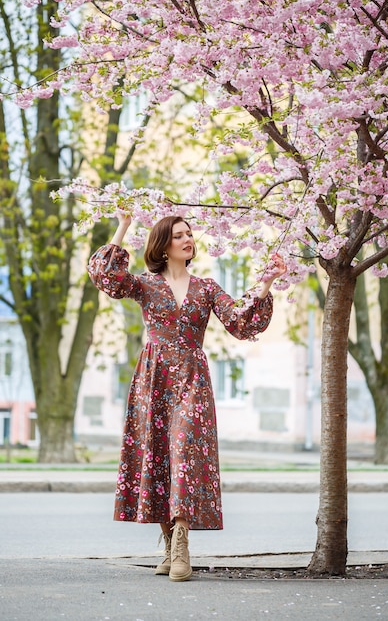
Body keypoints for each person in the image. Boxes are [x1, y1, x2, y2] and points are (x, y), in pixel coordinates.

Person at [87, 213, 287, 582]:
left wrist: (266, 283)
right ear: (163, 246)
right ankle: (168, 544)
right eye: (179, 235)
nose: (188, 239)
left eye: (189, 234)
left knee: (184, 451)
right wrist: (123, 225)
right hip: (154, 377)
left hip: (193, 376)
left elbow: (241, 322)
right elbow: (106, 278)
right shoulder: (146, 285)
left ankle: (182, 543)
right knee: (160, 455)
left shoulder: (207, 287)